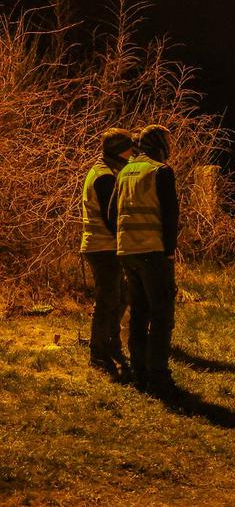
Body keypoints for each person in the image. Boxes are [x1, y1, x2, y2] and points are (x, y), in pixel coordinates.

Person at [116, 124, 180, 398]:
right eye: (167, 142)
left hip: (127, 251)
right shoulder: (160, 171)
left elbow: (113, 212)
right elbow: (170, 215)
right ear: (159, 145)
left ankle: (138, 373)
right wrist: (169, 250)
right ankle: (159, 377)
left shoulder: (125, 171)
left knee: (139, 314)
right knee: (161, 316)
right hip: (153, 252)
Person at [80, 127, 134, 377]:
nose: (133, 151)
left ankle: (111, 344)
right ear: (121, 150)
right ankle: (99, 352)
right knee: (108, 299)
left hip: (104, 245)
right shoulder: (105, 176)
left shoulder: (106, 170)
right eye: (130, 147)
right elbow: (111, 217)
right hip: (102, 246)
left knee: (120, 297)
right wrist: (127, 240)